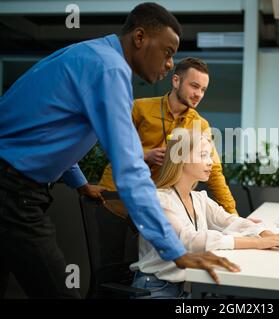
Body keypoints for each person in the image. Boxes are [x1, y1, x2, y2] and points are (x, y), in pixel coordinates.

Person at [0, 2, 238, 299]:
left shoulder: (92, 54)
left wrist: (79, 182)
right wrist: (176, 251)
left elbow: (51, 128)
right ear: (140, 38)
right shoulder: (111, 71)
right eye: (167, 53)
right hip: (14, 191)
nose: (168, 64)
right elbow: (130, 168)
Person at [130, 129, 279, 298]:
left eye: (210, 155)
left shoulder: (199, 198)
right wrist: (257, 243)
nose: (210, 162)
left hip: (189, 286)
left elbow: (229, 221)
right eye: (203, 155)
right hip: (156, 287)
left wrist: (267, 234)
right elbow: (190, 240)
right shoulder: (159, 199)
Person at [98, 57, 239, 215]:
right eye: (194, 86)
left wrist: (234, 216)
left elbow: (214, 172)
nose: (199, 94)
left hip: (158, 207)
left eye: (203, 90)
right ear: (176, 81)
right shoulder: (139, 108)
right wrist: (144, 155)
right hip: (117, 199)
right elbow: (110, 145)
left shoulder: (201, 125)